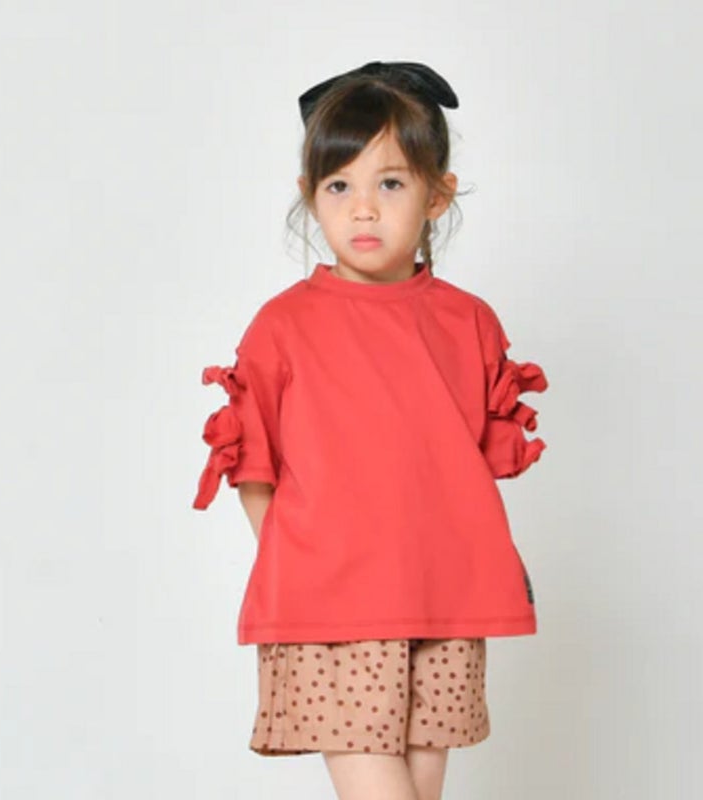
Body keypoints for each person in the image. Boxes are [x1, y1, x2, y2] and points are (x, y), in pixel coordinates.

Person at [192, 61, 549, 800]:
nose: (362, 209)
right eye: (339, 186)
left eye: (389, 184)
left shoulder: (468, 321)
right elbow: (253, 466)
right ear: (309, 195)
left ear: (437, 195)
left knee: (420, 788)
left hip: (444, 602)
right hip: (333, 605)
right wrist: (306, 570)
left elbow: (464, 470)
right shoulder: (283, 326)